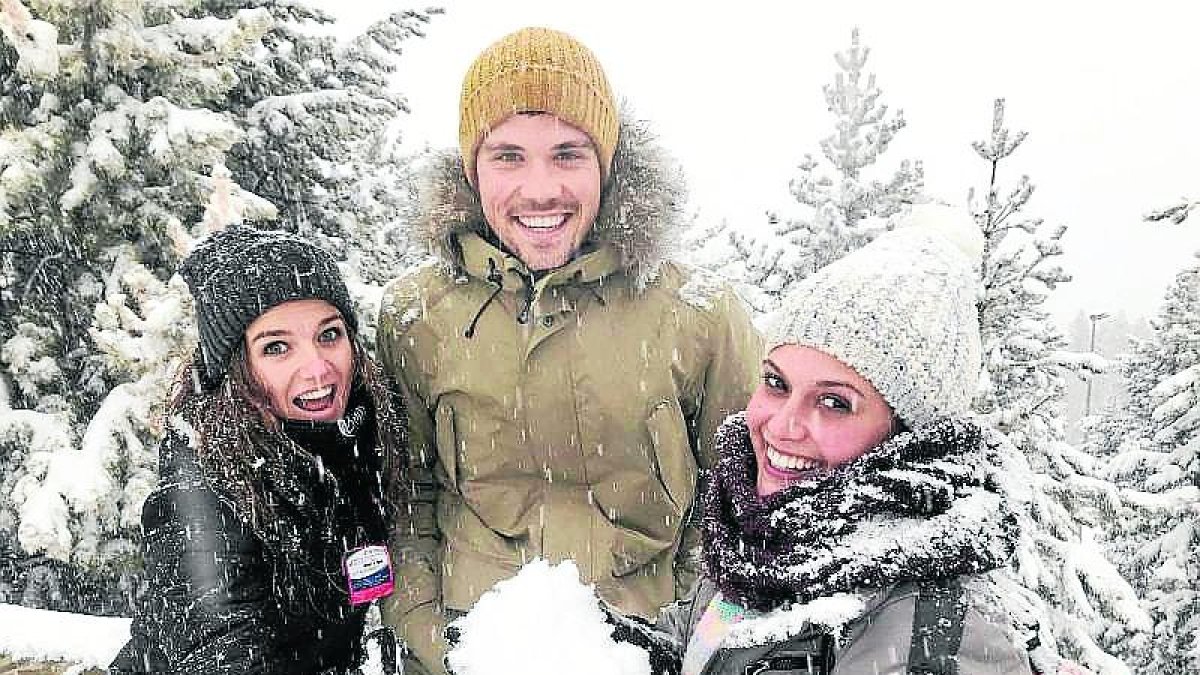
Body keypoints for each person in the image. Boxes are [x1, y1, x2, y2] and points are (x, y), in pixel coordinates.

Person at [376, 26, 762, 675]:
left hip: (646, 647)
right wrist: (440, 647)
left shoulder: (699, 314)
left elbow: (742, 504)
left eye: (566, 153)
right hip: (469, 647)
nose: (539, 189)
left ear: (607, 163)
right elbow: (404, 502)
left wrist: (681, 643)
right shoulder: (417, 315)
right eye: (507, 156)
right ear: (472, 170)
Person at [649, 205, 1040, 674]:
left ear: (908, 439)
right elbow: (697, 650)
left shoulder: (925, 624)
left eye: (834, 403)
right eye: (777, 384)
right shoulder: (763, 539)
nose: (782, 426)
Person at [110, 226, 407, 675]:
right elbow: (222, 646)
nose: (317, 366)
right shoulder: (202, 488)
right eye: (277, 347)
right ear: (237, 370)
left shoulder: (363, 434)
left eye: (329, 335)